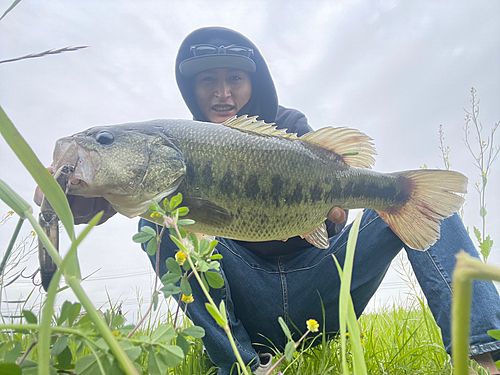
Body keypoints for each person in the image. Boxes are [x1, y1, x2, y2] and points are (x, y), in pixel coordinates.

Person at [35, 26, 500, 375]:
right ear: (190, 90)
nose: (222, 92)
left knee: (428, 206)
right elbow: (89, 211)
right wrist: (67, 198)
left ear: (253, 81)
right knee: (158, 222)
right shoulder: (172, 153)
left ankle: (484, 348)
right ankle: (240, 364)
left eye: (234, 78)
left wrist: (333, 216)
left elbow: (330, 224)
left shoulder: (291, 124)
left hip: (318, 290)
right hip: (246, 301)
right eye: (208, 82)